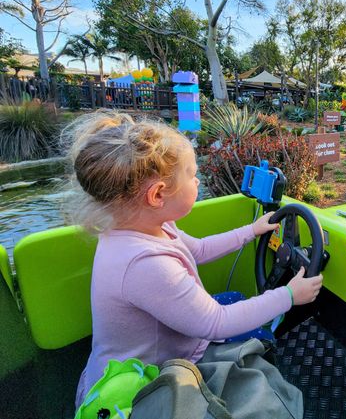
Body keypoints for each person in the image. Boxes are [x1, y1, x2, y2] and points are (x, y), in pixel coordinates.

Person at [65, 110, 323, 408]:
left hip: (161, 353)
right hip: (145, 386)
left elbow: (197, 250)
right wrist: (289, 295)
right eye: (191, 174)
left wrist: (251, 231)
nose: (197, 180)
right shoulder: (144, 264)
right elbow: (216, 322)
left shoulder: (145, 226)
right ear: (158, 195)